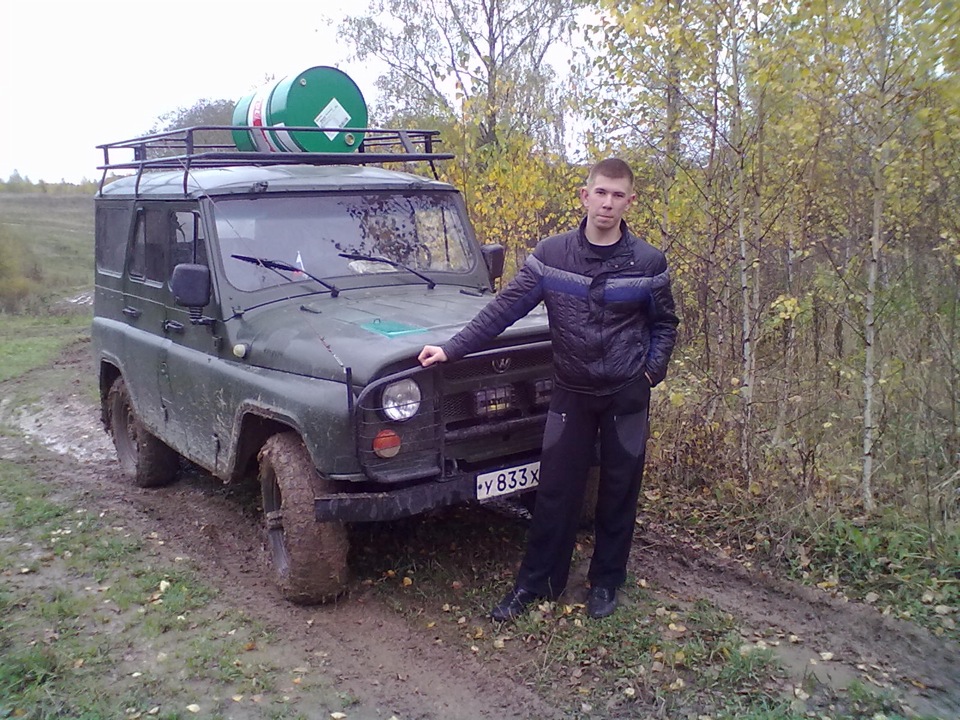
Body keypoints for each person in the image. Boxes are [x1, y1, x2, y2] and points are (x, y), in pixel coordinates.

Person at [418, 158, 679, 621]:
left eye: (618, 195)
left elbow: (664, 325)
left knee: (619, 491)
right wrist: (451, 350)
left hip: (625, 394)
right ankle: (538, 583)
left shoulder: (648, 262)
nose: (607, 203)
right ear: (585, 196)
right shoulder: (552, 256)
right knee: (555, 492)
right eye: (600, 192)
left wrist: (649, 374)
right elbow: (503, 310)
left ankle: (605, 582)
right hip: (571, 394)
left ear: (630, 202)